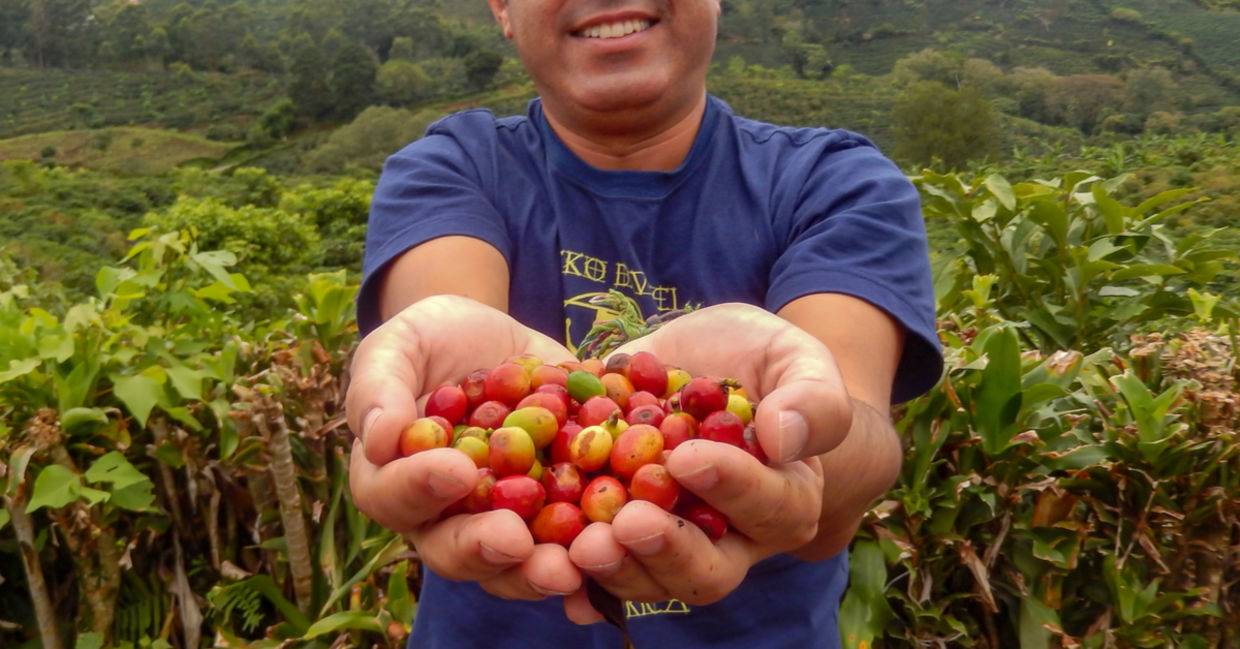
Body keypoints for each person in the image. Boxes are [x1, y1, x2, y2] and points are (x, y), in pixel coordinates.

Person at [345, 0, 943, 647]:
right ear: (501, 8)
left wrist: (807, 438)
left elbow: (849, 445)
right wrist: (441, 406)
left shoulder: (837, 184)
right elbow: (455, 367)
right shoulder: (450, 168)